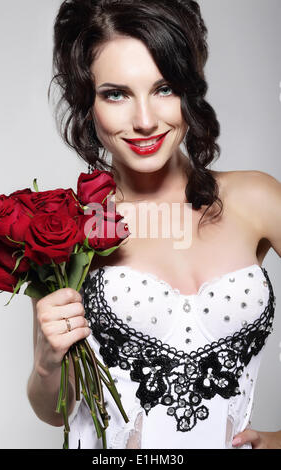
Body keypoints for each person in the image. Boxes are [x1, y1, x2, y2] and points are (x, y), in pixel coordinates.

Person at [27, 0, 281, 449]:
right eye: (116, 94)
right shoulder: (67, 228)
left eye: (164, 88)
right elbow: (55, 411)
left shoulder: (256, 198)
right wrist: (48, 363)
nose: (145, 121)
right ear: (87, 102)